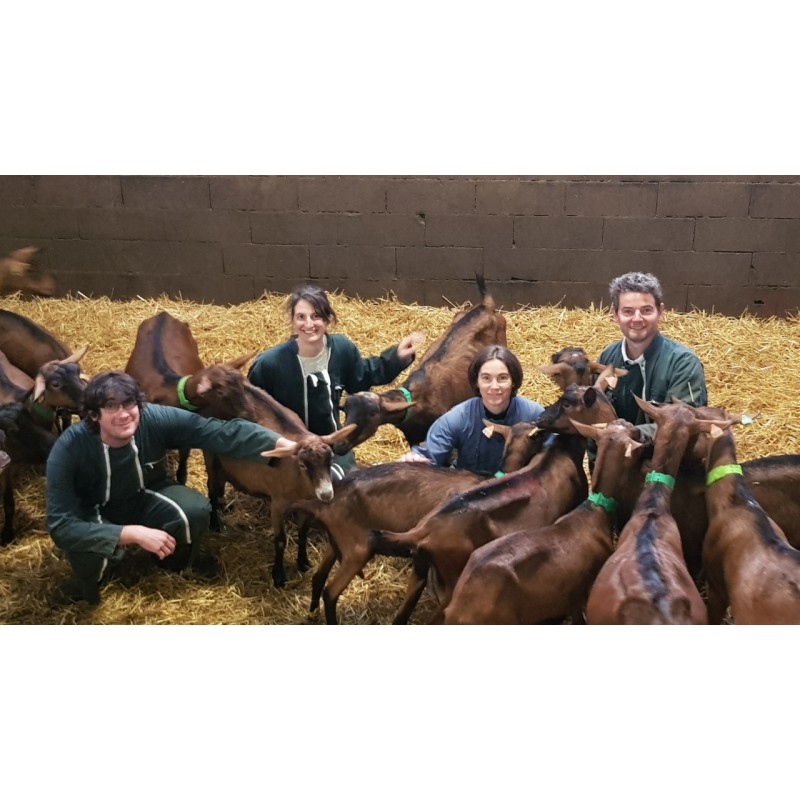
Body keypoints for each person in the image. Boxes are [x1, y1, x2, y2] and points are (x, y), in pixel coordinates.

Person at [46, 371, 296, 605]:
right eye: (111, 406)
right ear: (93, 414)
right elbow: (61, 526)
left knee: (195, 511)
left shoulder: (153, 418)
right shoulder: (69, 448)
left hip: (144, 493)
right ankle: (87, 587)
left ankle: (175, 564)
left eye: (129, 403)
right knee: (89, 555)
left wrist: (282, 442)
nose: (123, 414)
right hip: (93, 509)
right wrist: (133, 534)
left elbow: (217, 431)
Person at [247, 285, 423, 475]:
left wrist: (395, 358)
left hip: (331, 443)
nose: (308, 324)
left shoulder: (341, 348)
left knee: (345, 485)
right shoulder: (269, 364)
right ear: (292, 320)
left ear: (328, 318)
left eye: (316, 316)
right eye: (301, 317)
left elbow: (361, 376)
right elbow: (253, 409)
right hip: (290, 447)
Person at [398, 345, 545, 476]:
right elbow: (430, 454)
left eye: (502, 378)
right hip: (468, 491)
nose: (494, 386)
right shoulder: (458, 416)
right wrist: (415, 459)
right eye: (486, 378)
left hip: (518, 490)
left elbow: (552, 454)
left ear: (513, 382)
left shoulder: (534, 415)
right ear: (477, 382)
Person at [597, 271, 708, 442]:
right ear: (615, 314)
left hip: (666, 464)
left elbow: (684, 423)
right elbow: (595, 415)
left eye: (646, 310)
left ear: (660, 311)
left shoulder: (683, 362)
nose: (637, 319)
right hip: (615, 459)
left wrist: (629, 434)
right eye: (628, 311)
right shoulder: (608, 356)